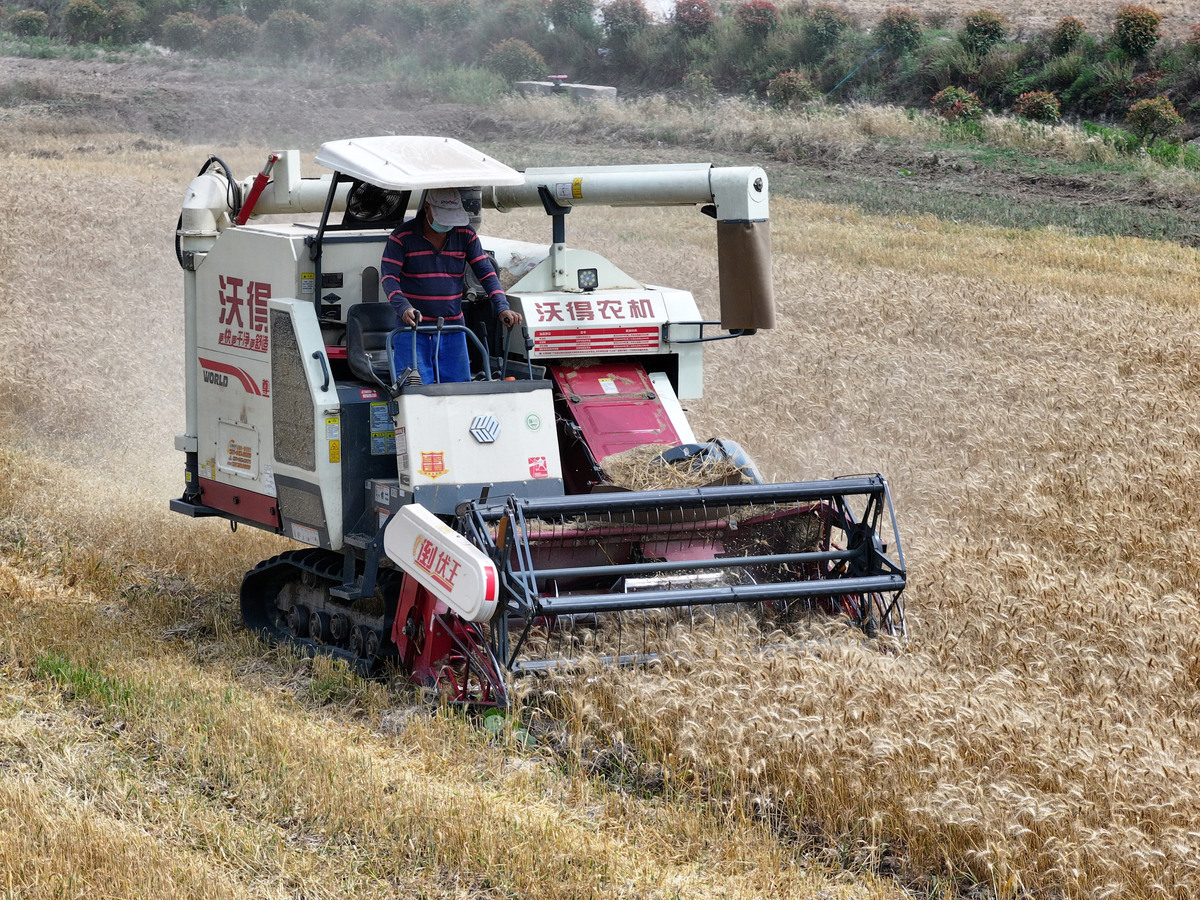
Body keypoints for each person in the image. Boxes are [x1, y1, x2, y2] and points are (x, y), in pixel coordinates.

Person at [380, 188, 522, 384]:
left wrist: (501, 306)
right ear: (427, 208)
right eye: (443, 218)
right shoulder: (401, 237)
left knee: (459, 392)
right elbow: (389, 278)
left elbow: (486, 273)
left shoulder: (466, 234)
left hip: (454, 331)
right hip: (412, 333)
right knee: (415, 393)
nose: (447, 224)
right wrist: (404, 307)